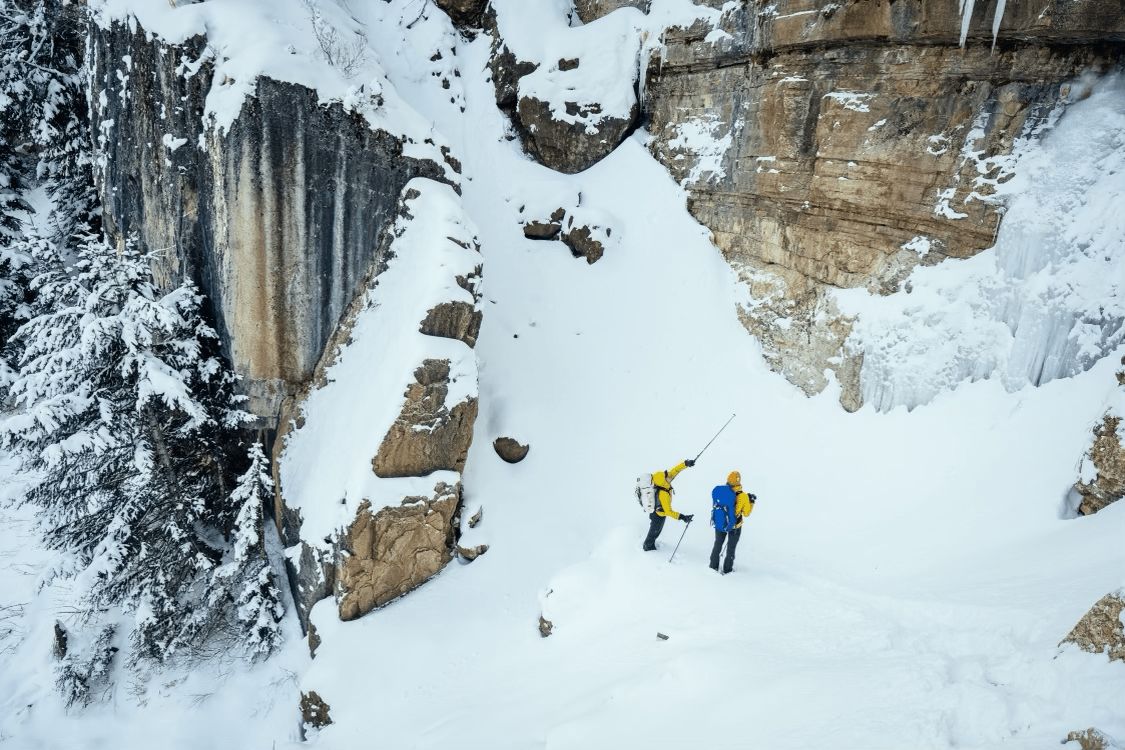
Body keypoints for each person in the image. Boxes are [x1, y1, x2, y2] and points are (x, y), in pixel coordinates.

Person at [642, 459, 695, 551]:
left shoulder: (664, 478)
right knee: (654, 532)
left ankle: (650, 544)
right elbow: (668, 512)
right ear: (665, 480)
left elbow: (675, 470)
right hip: (658, 515)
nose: (672, 478)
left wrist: (686, 464)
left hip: (657, 512)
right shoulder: (663, 494)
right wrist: (683, 517)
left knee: (656, 532)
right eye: (670, 478)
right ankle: (647, 547)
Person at [709, 471, 755, 574]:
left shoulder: (721, 492)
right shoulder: (743, 496)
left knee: (717, 545)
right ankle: (727, 570)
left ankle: (713, 566)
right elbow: (746, 513)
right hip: (735, 526)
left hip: (720, 523)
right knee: (731, 548)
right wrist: (751, 501)